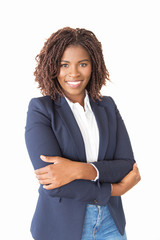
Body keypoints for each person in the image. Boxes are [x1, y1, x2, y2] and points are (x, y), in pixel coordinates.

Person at [25, 27, 141, 240]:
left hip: (110, 223)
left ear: (93, 66)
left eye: (83, 64)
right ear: (52, 67)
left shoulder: (107, 106)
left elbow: (126, 165)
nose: (74, 73)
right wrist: (115, 190)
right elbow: (53, 184)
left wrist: (78, 170)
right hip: (62, 227)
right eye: (64, 65)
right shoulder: (41, 110)